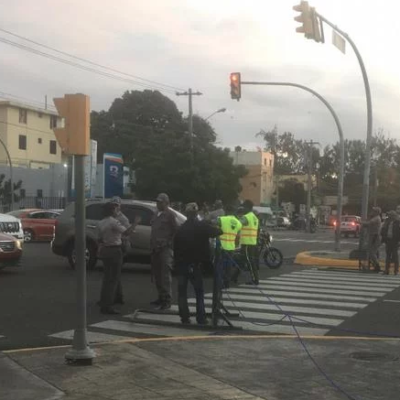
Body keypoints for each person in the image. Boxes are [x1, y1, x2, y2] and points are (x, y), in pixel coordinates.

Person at [173, 202, 222, 324]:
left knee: (182, 292)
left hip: (182, 264)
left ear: (186, 213)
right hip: (196, 265)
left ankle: (184, 317)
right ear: (196, 213)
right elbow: (218, 232)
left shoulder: (181, 229)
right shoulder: (201, 226)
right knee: (199, 292)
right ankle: (201, 318)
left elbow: (175, 247)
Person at [97, 202, 139, 314]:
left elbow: (100, 239)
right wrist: (135, 223)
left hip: (105, 249)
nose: (117, 212)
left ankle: (103, 301)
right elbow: (127, 232)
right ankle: (108, 305)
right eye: (116, 210)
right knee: (113, 279)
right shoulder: (113, 222)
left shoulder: (101, 223)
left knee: (107, 278)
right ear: (112, 211)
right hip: (115, 250)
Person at [150, 193, 178, 310]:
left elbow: (176, 231)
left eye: (160, 202)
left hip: (165, 249)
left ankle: (167, 300)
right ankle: (160, 297)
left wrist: (168, 243)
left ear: (166, 203)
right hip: (155, 248)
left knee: (165, 275)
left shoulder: (170, 215)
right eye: (157, 202)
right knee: (157, 274)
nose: (158, 204)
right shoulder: (156, 214)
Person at [233, 200, 260, 284]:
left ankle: (255, 279)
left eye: (244, 207)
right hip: (252, 242)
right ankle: (234, 277)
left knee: (249, 261)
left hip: (247, 243)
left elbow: (237, 225)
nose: (243, 208)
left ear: (247, 207)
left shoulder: (246, 217)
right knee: (242, 260)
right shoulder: (254, 217)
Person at [217, 206, 242, 288]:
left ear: (226, 211)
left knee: (220, 265)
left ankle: (220, 282)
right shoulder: (238, 223)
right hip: (231, 247)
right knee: (229, 266)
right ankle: (226, 282)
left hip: (221, 247)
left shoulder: (222, 219)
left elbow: (212, 224)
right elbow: (238, 236)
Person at [362, 206, 382, 272]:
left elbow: (368, 223)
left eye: (373, 211)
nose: (372, 212)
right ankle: (374, 265)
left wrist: (360, 222)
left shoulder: (376, 218)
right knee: (371, 251)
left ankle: (377, 266)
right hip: (372, 236)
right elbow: (367, 224)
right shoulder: (374, 218)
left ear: (376, 212)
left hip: (375, 236)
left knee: (372, 252)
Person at [381, 210, 400, 275]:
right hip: (388, 240)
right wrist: (384, 238)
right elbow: (383, 229)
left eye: (390, 215)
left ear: (393, 216)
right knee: (388, 256)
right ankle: (386, 270)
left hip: (395, 241)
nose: (388, 216)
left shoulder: (398, 222)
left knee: (395, 256)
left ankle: (396, 270)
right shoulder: (387, 222)